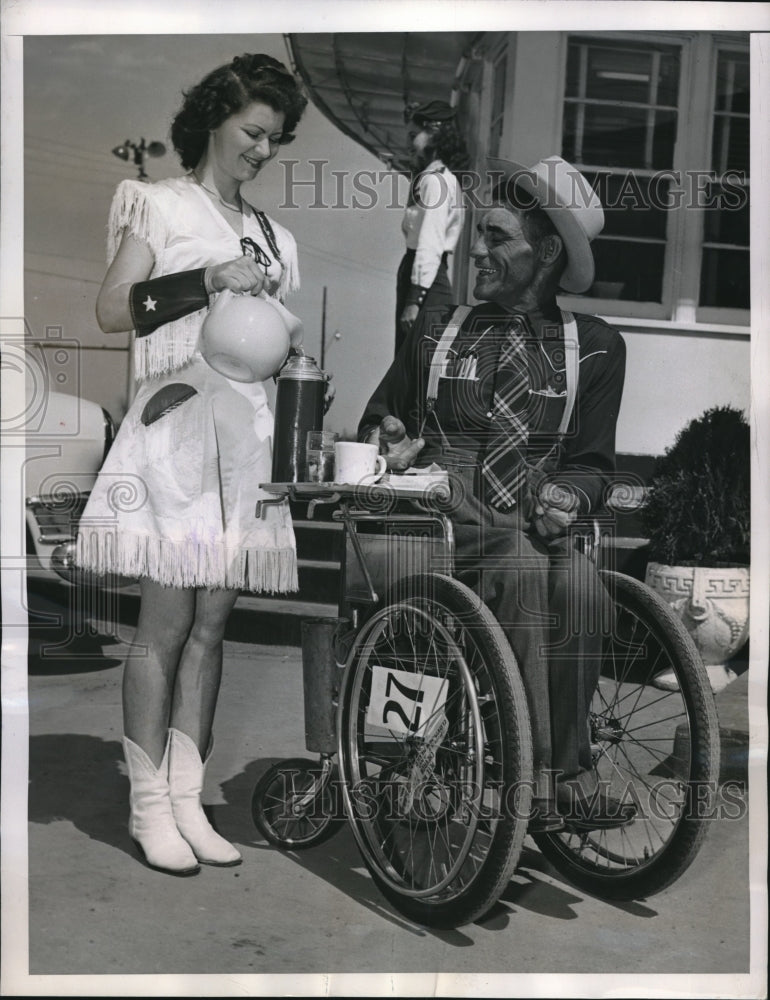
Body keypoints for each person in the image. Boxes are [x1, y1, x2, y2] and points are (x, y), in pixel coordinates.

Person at [75, 54, 308, 875]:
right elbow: (113, 309)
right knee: (165, 629)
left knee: (213, 630)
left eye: (276, 140)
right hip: (173, 441)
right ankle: (147, 808)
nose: (263, 151)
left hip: (241, 453)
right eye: (253, 131)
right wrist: (206, 277)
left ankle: (186, 798)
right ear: (215, 118)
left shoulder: (277, 237)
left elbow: (272, 348)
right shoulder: (160, 204)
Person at [360, 155, 636, 834]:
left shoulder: (594, 346)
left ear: (544, 254)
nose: (477, 249)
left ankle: (569, 772)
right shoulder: (439, 330)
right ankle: (534, 781)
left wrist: (570, 495)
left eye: (497, 237)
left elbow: (595, 465)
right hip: (446, 516)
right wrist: (388, 438)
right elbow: (380, 421)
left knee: (580, 585)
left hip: (536, 519)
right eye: (478, 233)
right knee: (519, 562)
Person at [395, 100, 468, 357]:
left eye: (414, 136)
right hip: (422, 276)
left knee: (415, 372)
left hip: (425, 282)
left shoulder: (435, 181)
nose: (409, 143)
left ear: (434, 135)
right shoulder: (436, 177)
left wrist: (414, 300)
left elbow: (430, 243)